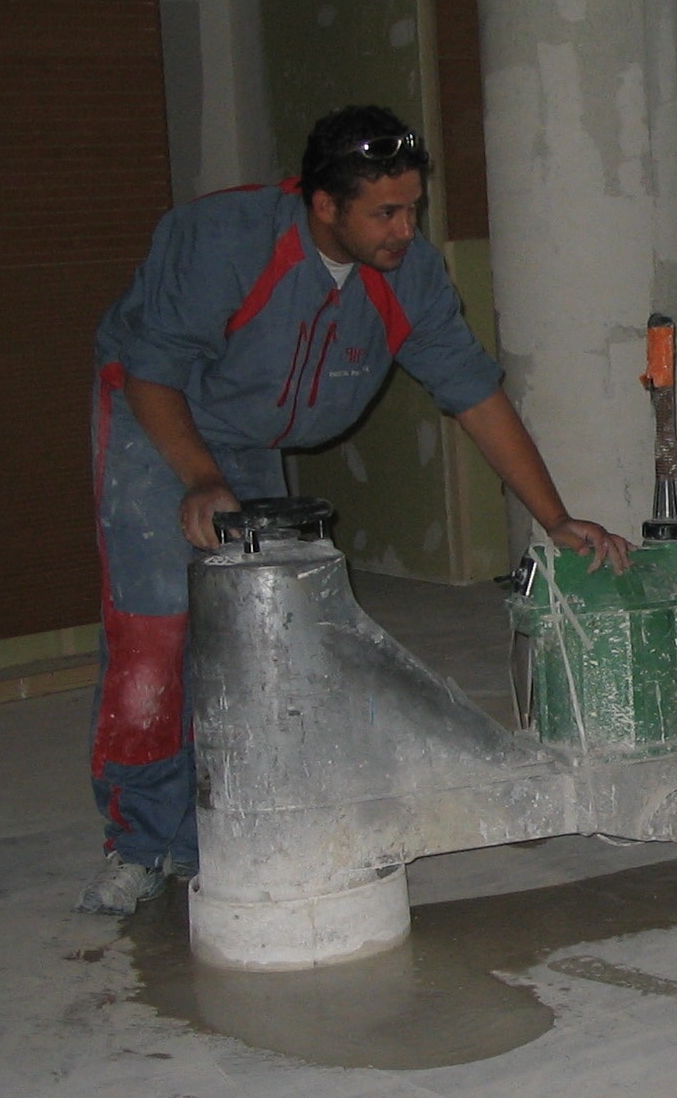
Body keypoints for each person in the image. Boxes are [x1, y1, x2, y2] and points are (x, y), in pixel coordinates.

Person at [80, 105, 633, 916]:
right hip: (154, 418)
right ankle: (137, 845)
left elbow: (475, 397)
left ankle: (225, 823)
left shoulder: (409, 276)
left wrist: (554, 517)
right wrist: (201, 479)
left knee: (255, 633)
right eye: (386, 212)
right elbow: (150, 374)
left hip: (248, 432)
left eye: (413, 207)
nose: (405, 228)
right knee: (157, 627)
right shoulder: (223, 241)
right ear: (322, 204)